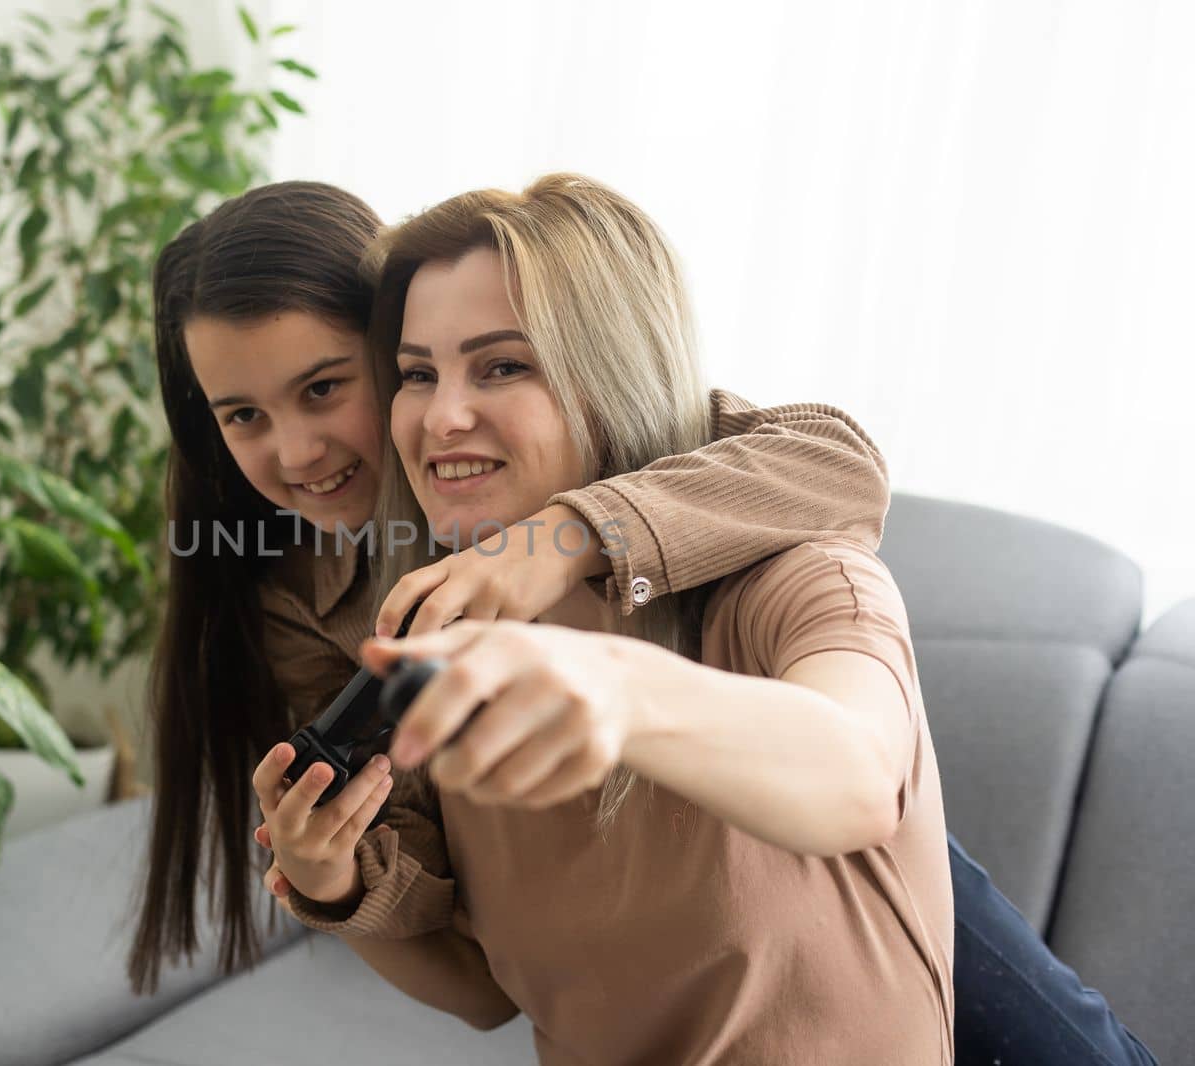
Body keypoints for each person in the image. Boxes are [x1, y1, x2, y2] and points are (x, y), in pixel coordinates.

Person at [131, 180, 1158, 1065]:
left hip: (793, 807)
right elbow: (456, 936)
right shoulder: (295, 598)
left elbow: (832, 465)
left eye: (324, 388)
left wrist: (566, 541)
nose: (298, 450)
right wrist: (333, 877)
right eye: (242, 417)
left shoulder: (676, 515)